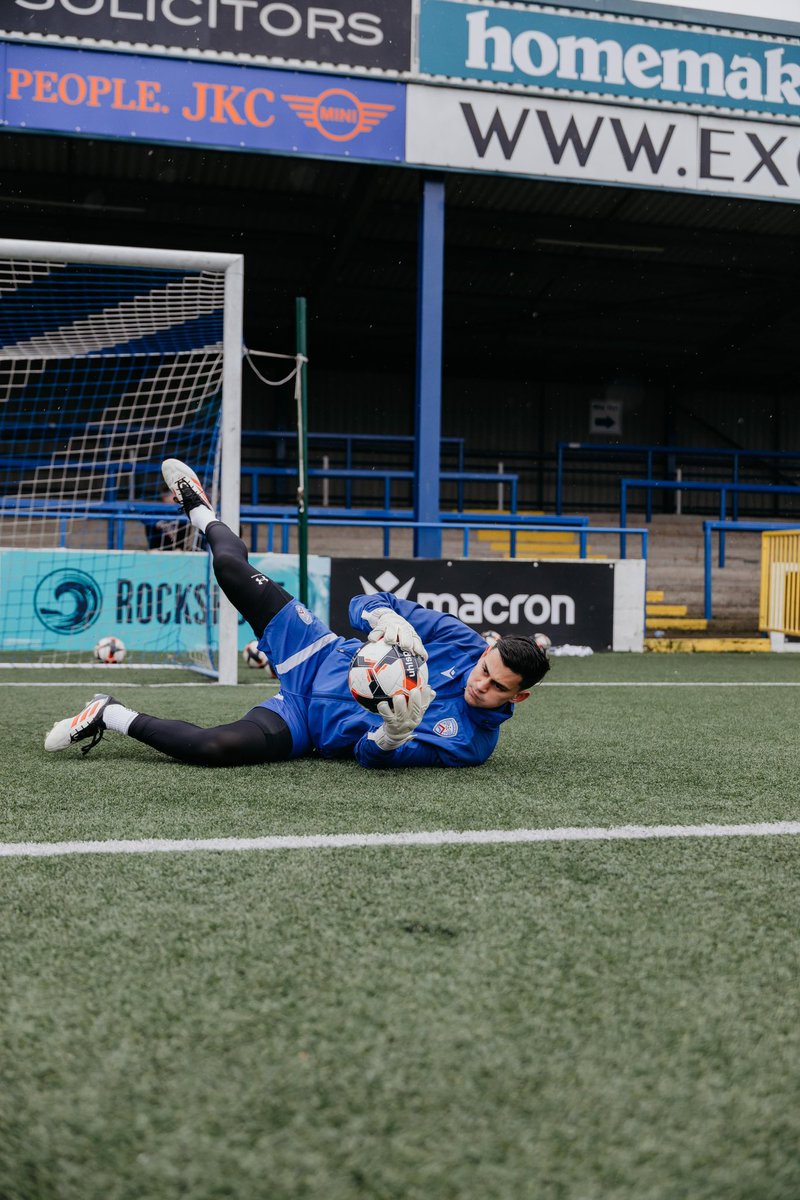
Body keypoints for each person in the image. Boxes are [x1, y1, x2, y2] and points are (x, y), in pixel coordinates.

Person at [45, 458, 550, 769]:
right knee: (229, 567)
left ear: (519, 697)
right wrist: (382, 616)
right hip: (320, 654)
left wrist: (391, 736)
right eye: (487, 670)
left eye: (498, 687)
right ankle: (201, 509)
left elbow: (369, 760)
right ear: (486, 651)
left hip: (307, 724)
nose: (483, 685)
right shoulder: (461, 640)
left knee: (213, 749)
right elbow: (363, 601)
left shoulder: (470, 744)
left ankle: (106, 712)